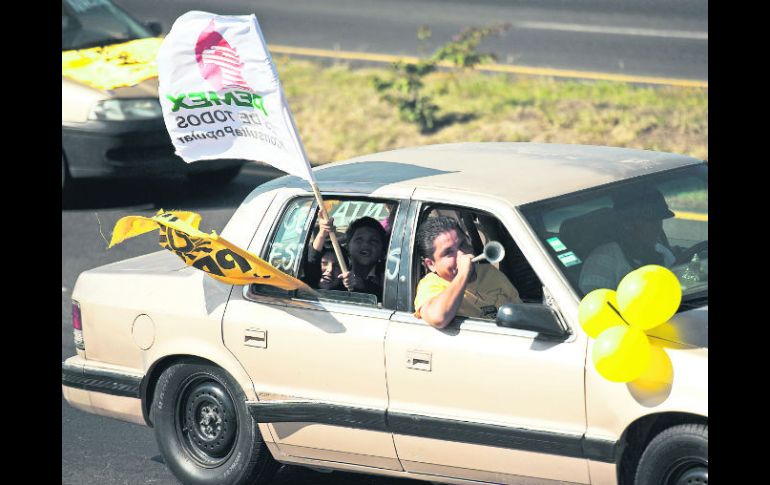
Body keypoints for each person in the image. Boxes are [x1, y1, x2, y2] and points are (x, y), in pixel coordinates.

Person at [413, 216, 522, 329]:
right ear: (431, 264)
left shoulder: (490, 272)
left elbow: (520, 313)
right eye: (448, 253)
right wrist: (463, 273)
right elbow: (438, 318)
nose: (462, 255)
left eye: (463, 244)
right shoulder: (430, 285)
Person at [578, 187, 677, 294]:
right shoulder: (603, 259)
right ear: (627, 224)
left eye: (659, 219)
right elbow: (596, 305)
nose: (657, 226)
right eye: (649, 221)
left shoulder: (663, 252)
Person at [310, 213, 388, 302]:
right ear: (347, 245)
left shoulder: (390, 276)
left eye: (373, 241)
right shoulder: (337, 272)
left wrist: (361, 284)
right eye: (359, 239)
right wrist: (322, 234)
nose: (366, 245)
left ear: (383, 250)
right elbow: (312, 264)